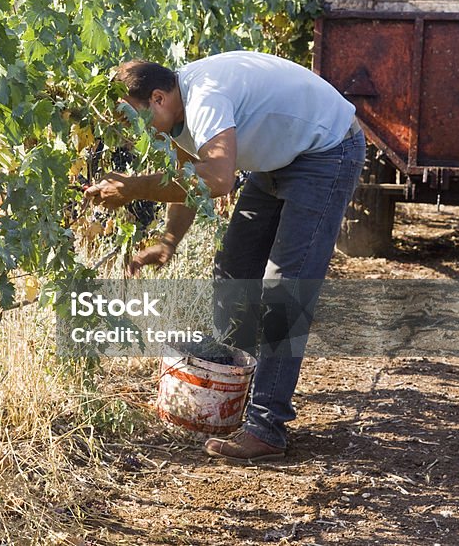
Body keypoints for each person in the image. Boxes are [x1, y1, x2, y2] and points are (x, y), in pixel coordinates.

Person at [84, 50, 365, 462]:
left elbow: (217, 178)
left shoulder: (204, 98)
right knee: (234, 266)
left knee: (284, 286)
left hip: (326, 151)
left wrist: (134, 187)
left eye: (130, 117)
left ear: (158, 98)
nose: (128, 130)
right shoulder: (176, 115)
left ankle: (266, 427)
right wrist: (168, 241)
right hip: (280, 157)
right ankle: (234, 391)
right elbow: (188, 178)